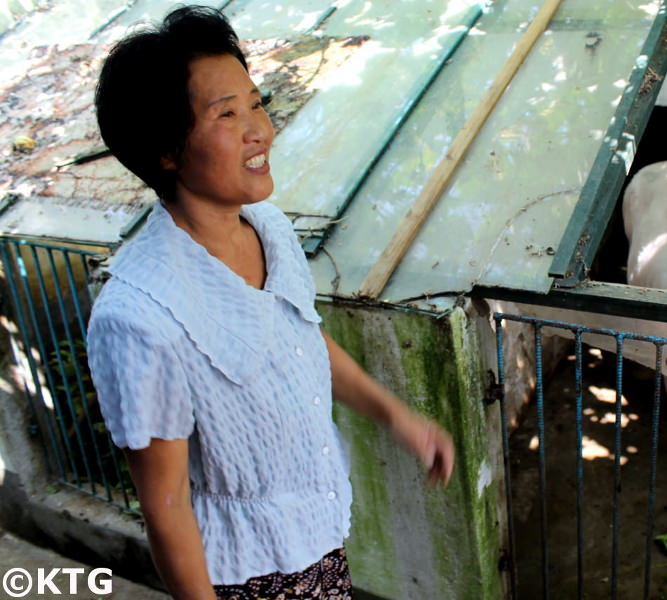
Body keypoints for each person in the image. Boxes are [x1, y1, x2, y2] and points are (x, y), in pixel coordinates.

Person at [87, 6, 455, 600]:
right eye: (227, 114)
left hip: (319, 533)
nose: (261, 130)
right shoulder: (139, 316)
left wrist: (401, 419)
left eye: (256, 103)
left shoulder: (269, 228)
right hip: (245, 577)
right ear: (165, 151)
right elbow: (166, 503)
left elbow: (300, 341)